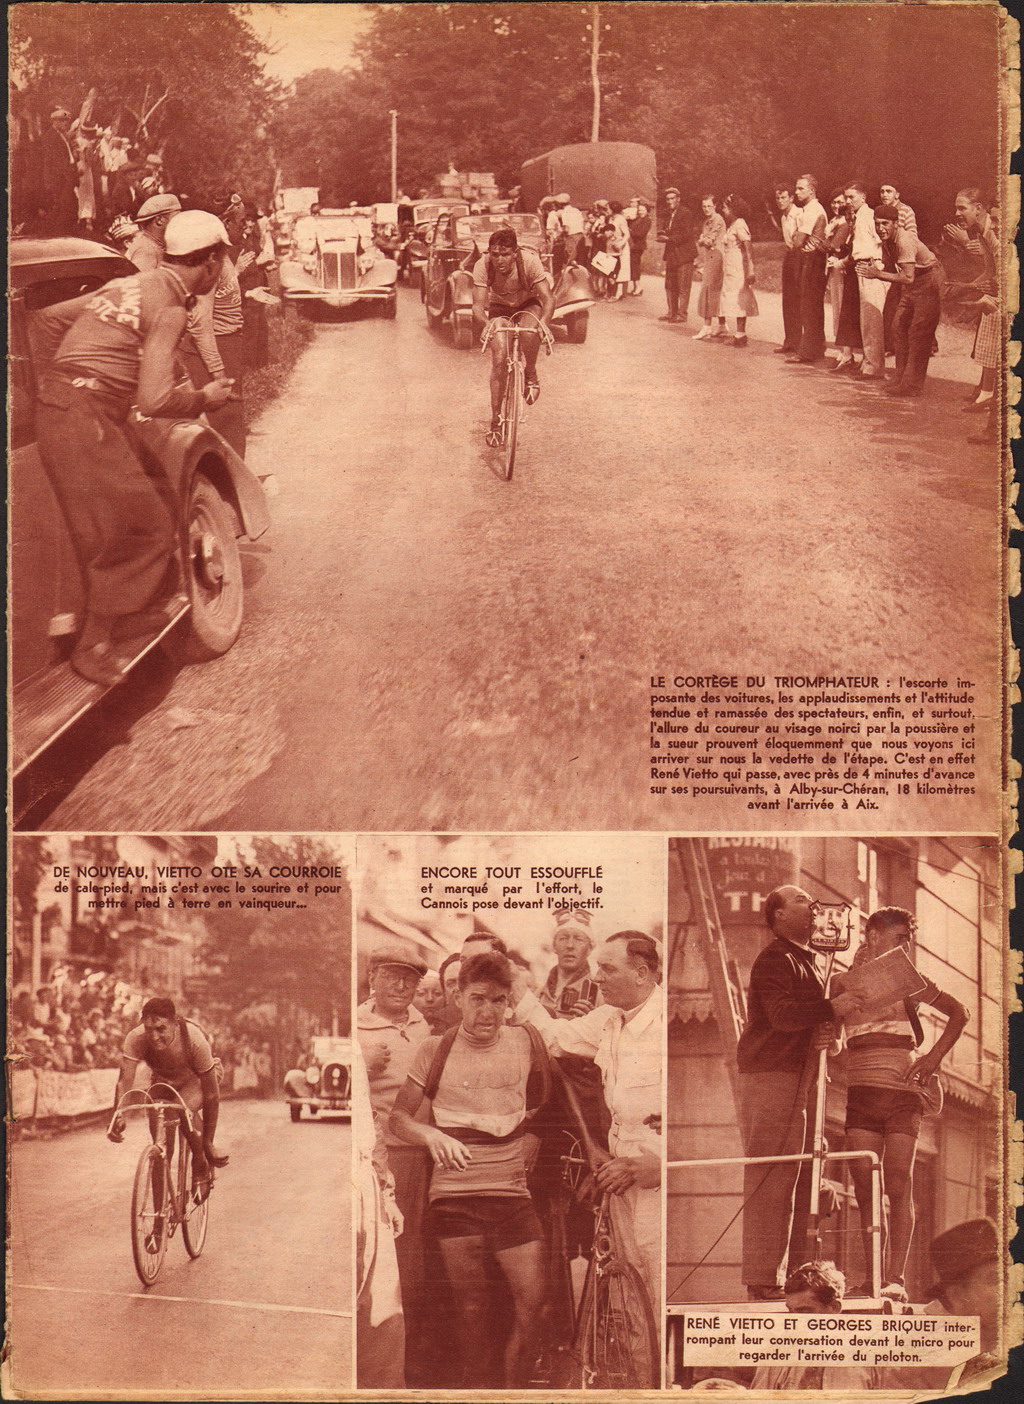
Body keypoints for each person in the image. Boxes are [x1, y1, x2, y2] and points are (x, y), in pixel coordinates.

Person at [31, 209, 236, 686]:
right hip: (85, 415)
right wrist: (204, 398)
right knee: (148, 527)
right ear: (209, 262)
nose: (222, 269)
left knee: (150, 494)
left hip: (71, 408)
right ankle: (95, 643)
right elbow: (156, 400)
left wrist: (56, 384)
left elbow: (45, 321)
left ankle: (132, 609)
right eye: (223, 261)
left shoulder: (132, 284)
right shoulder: (172, 308)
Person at [390, 951, 551, 1389]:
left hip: (513, 1195)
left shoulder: (526, 1041)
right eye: (478, 999)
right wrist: (432, 1136)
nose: (488, 1011)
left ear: (509, 1002)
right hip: (455, 1197)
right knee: (473, 1308)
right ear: (458, 997)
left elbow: (549, 1098)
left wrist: (533, 1133)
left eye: (498, 1000)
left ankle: (513, 1390)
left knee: (535, 1305)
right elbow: (398, 1119)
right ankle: (481, 1388)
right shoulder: (435, 1048)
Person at [512, 931, 663, 1315]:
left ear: (641, 973)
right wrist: (516, 987)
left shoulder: (667, 1024)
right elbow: (553, 1037)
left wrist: (661, 1161)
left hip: (656, 1178)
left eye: (607, 969)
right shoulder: (608, 1018)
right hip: (618, 1173)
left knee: (657, 1278)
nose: (597, 977)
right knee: (630, 1281)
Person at [735, 885, 862, 1299]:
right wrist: (832, 1009)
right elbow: (782, 1016)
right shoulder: (776, 957)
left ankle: (794, 1277)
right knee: (774, 1175)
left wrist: (831, 1033)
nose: (813, 907)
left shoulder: (810, 961)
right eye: (801, 901)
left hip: (804, 1075)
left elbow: (810, 1021)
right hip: (773, 1075)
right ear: (779, 916)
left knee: (806, 1174)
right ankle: (763, 1279)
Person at [836, 907, 968, 1298]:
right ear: (873, 935)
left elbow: (960, 1013)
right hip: (860, 1092)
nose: (905, 948)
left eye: (908, 941)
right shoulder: (841, 982)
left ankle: (895, 1279)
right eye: (899, 939)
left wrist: (932, 1060)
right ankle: (872, 1279)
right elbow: (831, 1034)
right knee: (865, 1189)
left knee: (898, 1185)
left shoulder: (911, 980)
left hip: (902, 1094)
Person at [355, 943, 434, 1386]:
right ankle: (391, 1372)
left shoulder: (424, 1025)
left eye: (410, 979)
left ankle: (416, 1362)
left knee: (419, 1264)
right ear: (373, 979)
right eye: (391, 976)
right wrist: (362, 1067)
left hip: (426, 1155)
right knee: (392, 1266)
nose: (402, 986)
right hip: (385, 1160)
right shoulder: (356, 1026)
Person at [108, 997, 228, 1207]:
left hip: (197, 1079)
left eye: (161, 1029)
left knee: (184, 1109)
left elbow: (211, 1095)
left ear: (175, 1023)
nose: (154, 1036)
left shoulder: (194, 1039)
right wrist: (119, 1115)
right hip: (165, 1080)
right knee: (161, 1149)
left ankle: (199, 1163)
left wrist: (209, 1143)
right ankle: (159, 1219)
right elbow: (124, 1081)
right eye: (149, 1029)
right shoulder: (136, 1038)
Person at [471, 227, 554, 445]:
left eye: (505, 254)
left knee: (530, 331)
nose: (500, 260)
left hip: (528, 304)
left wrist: (545, 323)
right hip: (499, 308)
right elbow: (477, 306)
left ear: (515, 253)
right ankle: (496, 421)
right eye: (495, 254)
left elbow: (548, 298)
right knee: (499, 359)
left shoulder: (530, 262)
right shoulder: (483, 265)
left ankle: (530, 372)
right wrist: (486, 324)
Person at [859, 207, 943, 397]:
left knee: (919, 333)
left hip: (928, 278)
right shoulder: (888, 239)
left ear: (896, 224)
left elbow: (907, 277)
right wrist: (877, 267)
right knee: (898, 327)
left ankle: (912, 385)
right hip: (914, 281)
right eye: (877, 224)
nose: (881, 228)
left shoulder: (904, 240)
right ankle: (901, 378)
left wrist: (877, 274)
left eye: (885, 224)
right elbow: (898, 269)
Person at [943, 187, 999, 434]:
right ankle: (986, 395)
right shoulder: (982, 231)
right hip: (997, 292)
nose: (957, 213)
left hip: (1007, 295)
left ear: (978, 208)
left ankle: (990, 402)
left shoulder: (994, 230)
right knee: (989, 347)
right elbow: (990, 270)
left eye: (961, 208)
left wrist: (989, 294)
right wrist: (966, 288)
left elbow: (1006, 268)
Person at [846, 181, 887, 377]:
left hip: (870, 266)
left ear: (863, 197)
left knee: (872, 319)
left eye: (851, 197)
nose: (848, 201)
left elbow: (882, 240)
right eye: (846, 197)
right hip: (860, 266)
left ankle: (874, 367)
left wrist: (876, 264)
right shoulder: (858, 217)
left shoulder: (869, 216)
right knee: (866, 320)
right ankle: (868, 362)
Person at [787, 175, 829, 365]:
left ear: (811, 190)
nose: (796, 192)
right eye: (796, 188)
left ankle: (808, 351)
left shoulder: (813, 210)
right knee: (812, 305)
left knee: (809, 306)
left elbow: (797, 241)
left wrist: (796, 233)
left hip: (813, 260)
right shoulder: (810, 209)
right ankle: (817, 347)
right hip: (811, 260)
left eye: (800, 188)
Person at [823, 189, 861, 371]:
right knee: (836, 308)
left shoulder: (846, 224)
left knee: (842, 309)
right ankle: (842, 349)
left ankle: (847, 351)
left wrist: (828, 243)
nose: (836, 206)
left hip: (843, 267)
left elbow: (834, 246)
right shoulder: (835, 221)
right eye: (834, 202)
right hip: (834, 267)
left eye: (840, 202)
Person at [719, 194, 758, 348]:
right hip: (731, 268)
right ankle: (739, 333)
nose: (723, 211)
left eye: (725, 208)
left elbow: (748, 246)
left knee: (740, 299)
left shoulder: (740, 224)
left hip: (738, 268)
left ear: (733, 209)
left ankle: (741, 334)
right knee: (733, 299)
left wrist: (751, 269)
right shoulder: (732, 225)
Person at [657, 187, 696, 323]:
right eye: (667, 199)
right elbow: (669, 230)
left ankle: (682, 314)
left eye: (672, 198)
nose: (669, 202)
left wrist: (669, 239)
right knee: (669, 284)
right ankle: (671, 312)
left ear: (678, 199)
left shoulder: (686, 213)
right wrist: (663, 233)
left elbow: (686, 234)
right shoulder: (668, 214)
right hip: (671, 254)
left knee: (683, 285)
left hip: (684, 254)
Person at [38, 107, 79, 235]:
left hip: (66, 175)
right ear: (54, 121)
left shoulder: (63, 135)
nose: (65, 123)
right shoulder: (50, 136)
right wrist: (69, 173)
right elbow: (55, 160)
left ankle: (64, 230)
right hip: (58, 177)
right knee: (61, 204)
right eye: (61, 120)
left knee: (68, 203)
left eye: (66, 121)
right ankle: (56, 231)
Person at [693, 195, 728, 338]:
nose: (706, 209)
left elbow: (708, 241)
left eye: (709, 206)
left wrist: (702, 240)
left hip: (717, 257)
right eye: (704, 206)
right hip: (711, 257)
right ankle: (722, 325)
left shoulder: (717, 219)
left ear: (715, 206)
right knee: (716, 290)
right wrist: (703, 240)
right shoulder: (707, 221)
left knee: (708, 289)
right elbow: (703, 240)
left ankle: (707, 326)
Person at [774, 184, 801, 354]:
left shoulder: (799, 214)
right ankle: (790, 341)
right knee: (788, 300)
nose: (780, 201)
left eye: (783, 197)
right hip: (790, 256)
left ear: (791, 198)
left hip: (800, 257)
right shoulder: (783, 217)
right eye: (777, 198)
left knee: (798, 300)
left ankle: (799, 342)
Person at [125, 193, 182, 271]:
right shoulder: (147, 250)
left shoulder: (149, 244)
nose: (179, 222)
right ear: (159, 220)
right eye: (176, 218)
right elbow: (141, 278)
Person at [606, 200, 632, 300]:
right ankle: (610, 292)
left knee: (621, 270)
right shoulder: (611, 219)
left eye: (608, 208)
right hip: (611, 247)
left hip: (621, 247)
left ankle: (618, 293)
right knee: (611, 269)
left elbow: (627, 234)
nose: (607, 210)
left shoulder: (621, 219)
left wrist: (621, 244)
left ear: (613, 209)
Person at [628, 199, 651, 295]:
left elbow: (640, 234)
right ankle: (635, 287)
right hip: (633, 245)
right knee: (633, 265)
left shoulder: (647, 220)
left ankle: (638, 287)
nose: (640, 212)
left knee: (635, 266)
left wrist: (629, 231)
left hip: (638, 246)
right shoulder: (637, 219)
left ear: (647, 211)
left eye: (642, 210)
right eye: (639, 210)